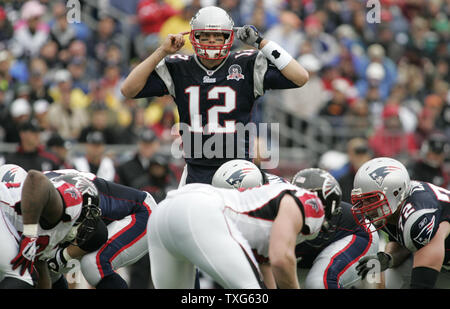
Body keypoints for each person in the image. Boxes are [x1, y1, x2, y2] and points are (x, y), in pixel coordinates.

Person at [121, 5, 309, 185]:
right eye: (205, 35)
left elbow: (300, 77)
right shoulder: (179, 66)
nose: (212, 40)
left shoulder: (246, 64)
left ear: (228, 38)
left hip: (238, 169)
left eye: (218, 36)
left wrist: (262, 42)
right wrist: (161, 51)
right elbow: (128, 90)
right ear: (194, 37)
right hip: (196, 169)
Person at [212, 160, 379, 289]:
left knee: (320, 283)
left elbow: (275, 261)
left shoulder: (281, 205)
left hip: (352, 233)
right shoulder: (262, 195)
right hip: (309, 249)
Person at [147, 180, 325, 289]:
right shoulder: (308, 200)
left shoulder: (262, 212)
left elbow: (267, 268)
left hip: (162, 212)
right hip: (199, 210)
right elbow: (281, 258)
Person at [38, 168, 156, 289]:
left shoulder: (85, 200)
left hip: (142, 212)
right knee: (44, 268)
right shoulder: (36, 199)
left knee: (94, 264)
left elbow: (98, 233)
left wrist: (65, 255)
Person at [0, 164, 108, 289]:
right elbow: (35, 177)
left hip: (6, 221)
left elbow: (41, 270)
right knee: (21, 277)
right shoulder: (72, 204)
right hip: (4, 212)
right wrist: (30, 234)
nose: (83, 226)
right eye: (85, 216)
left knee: (25, 276)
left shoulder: (56, 236)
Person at [350, 157, 450, 289]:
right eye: (362, 199)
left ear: (395, 192)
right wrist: (389, 258)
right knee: (372, 277)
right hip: (443, 262)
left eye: (371, 199)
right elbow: (406, 242)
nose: (365, 206)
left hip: (440, 262)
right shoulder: (397, 205)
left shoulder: (420, 214)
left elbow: (423, 281)